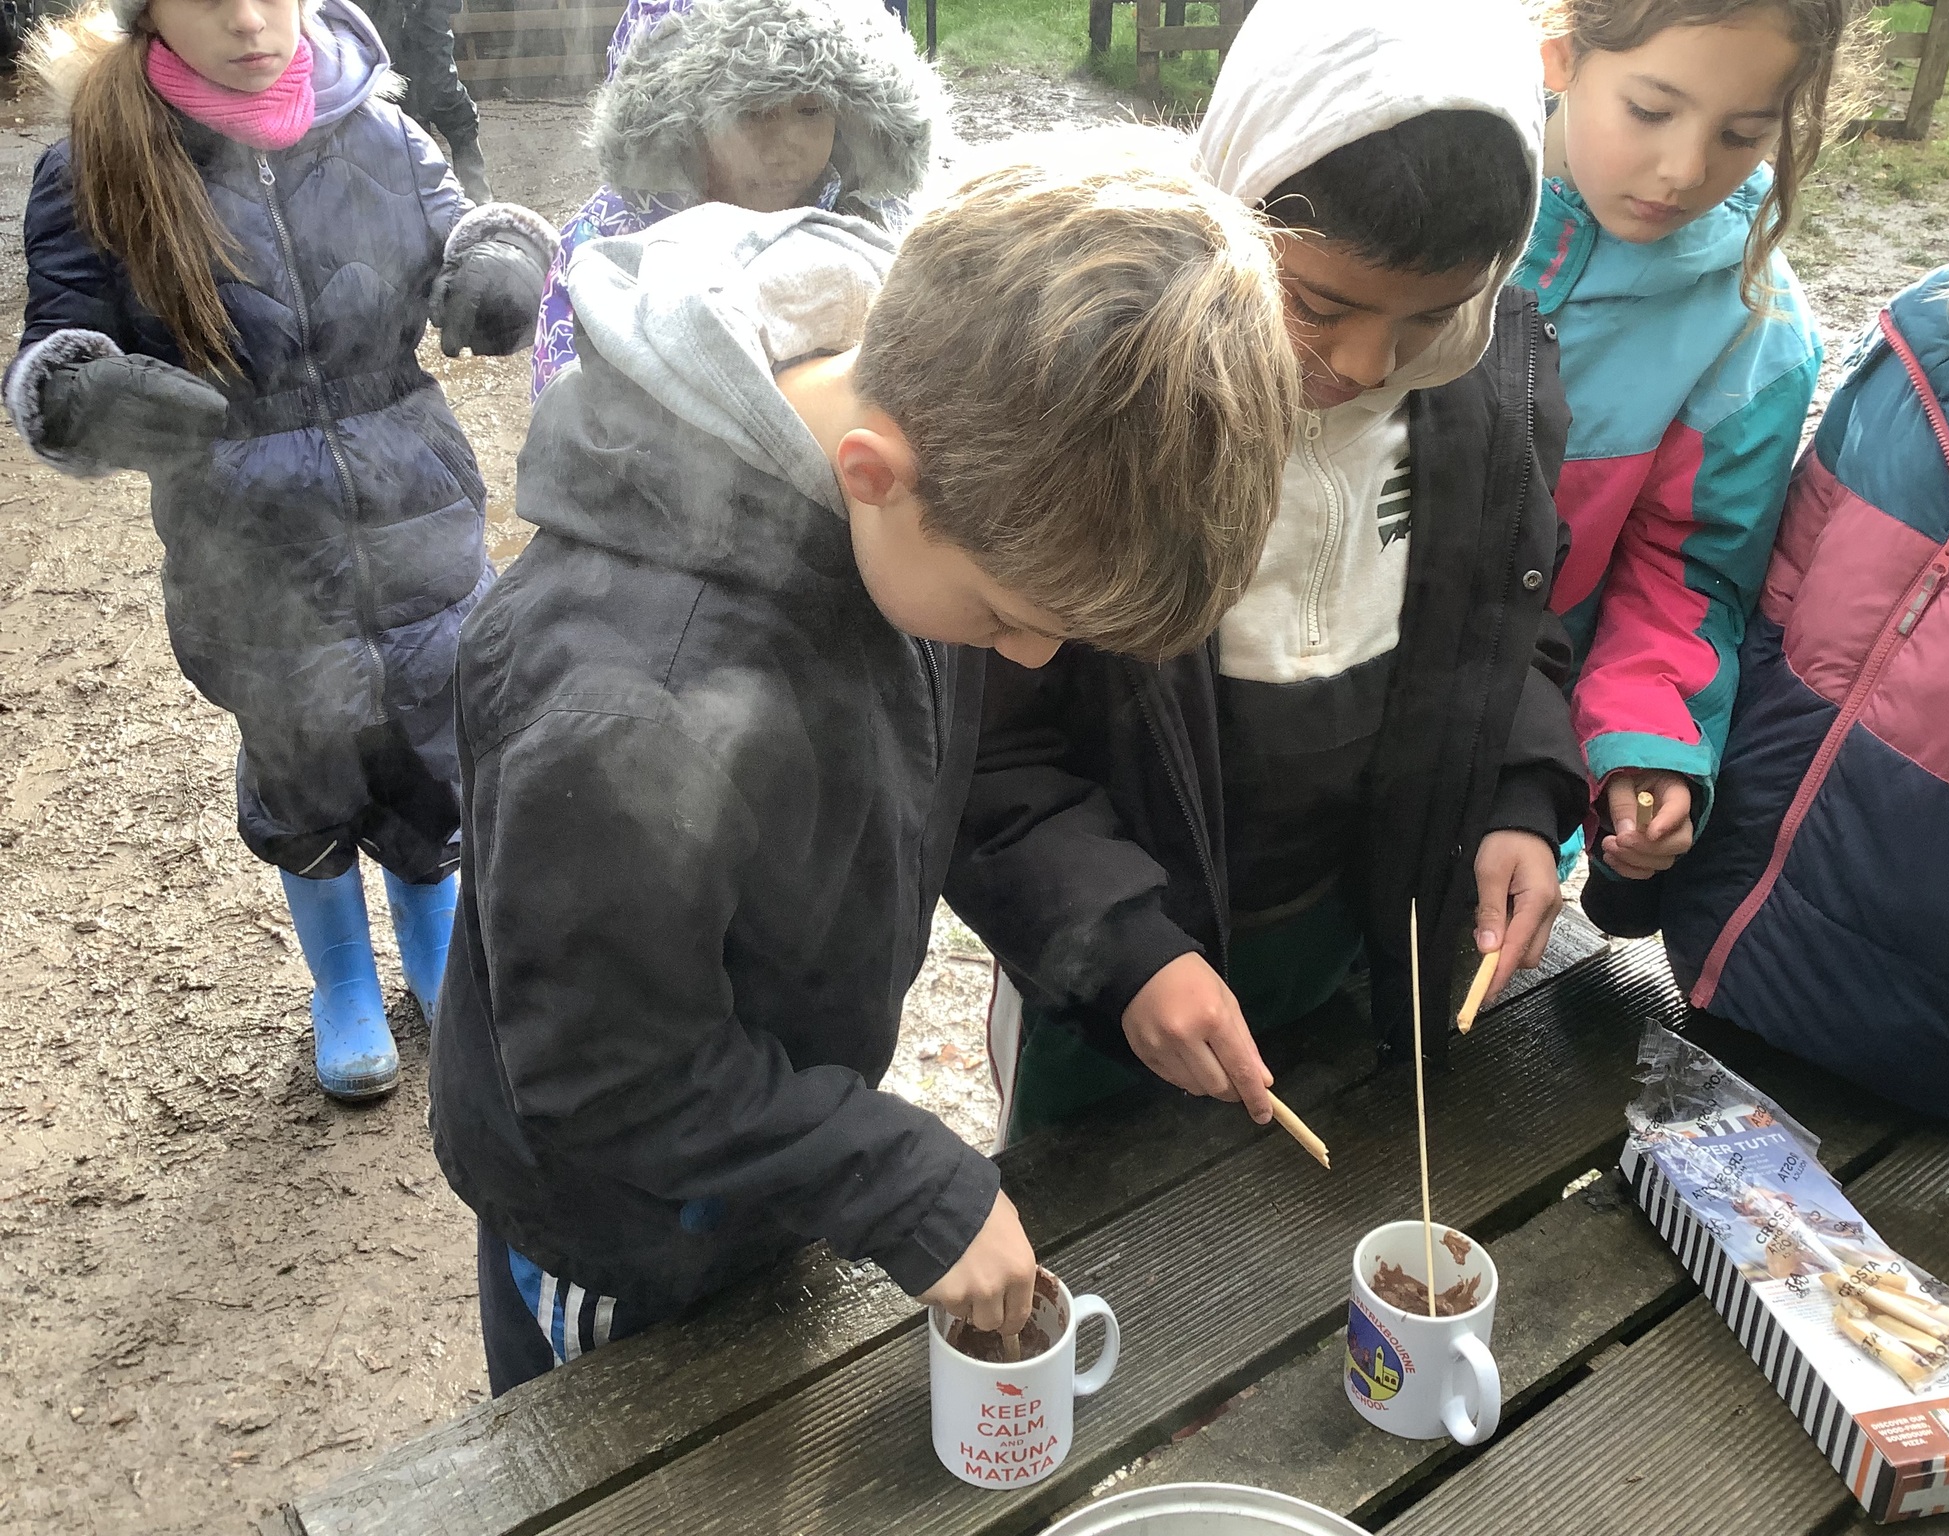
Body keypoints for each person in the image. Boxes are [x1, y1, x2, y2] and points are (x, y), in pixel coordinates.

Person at [429, 129, 1299, 1392]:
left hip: (760, 1153)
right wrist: (893, 1176)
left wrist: (1113, 953)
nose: (1030, 657)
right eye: (1007, 618)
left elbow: (935, 774)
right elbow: (605, 1078)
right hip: (614, 1227)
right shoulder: (624, 706)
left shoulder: (921, 494)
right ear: (871, 473)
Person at [944, 0, 1584, 1145]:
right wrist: (1120, 949)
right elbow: (987, 749)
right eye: (1318, 305)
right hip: (1123, 974)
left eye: (1430, 315)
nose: (1366, 363)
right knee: (1108, 1206)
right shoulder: (1098, 410)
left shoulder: (1488, 398)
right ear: (1230, 206)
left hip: (1367, 936)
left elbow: (1507, 631)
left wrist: (1518, 799)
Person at [5, 0, 557, 1100]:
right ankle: (341, 981)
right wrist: (77, 393)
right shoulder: (97, 161)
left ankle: (437, 952)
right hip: (247, 535)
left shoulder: (382, 126)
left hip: (412, 501)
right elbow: (54, 341)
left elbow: (462, 233)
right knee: (302, 753)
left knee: (434, 737)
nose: (251, 20)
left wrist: (502, 260)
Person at [1655, 61, 1949, 1254]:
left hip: (1927, 1092)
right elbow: (1762, 606)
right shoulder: (1917, 348)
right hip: (1715, 972)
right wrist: (1653, 831)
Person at [1514, 0, 1842, 903]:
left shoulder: (1754, 332)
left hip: (1508, 773)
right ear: (1560, 53)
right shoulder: (1428, 200)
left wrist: (1645, 739)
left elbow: (1685, 570)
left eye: (1743, 134)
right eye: (1651, 111)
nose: (1686, 169)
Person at [529, 0, 940, 399]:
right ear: (684, 121)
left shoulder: (875, 225)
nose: (785, 147)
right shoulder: (605, 245)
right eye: (752, 112)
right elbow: (568, 415)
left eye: (811, 110)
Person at [356, 0, 491, 202]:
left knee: (444, 91)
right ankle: (421, 198)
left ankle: (477, 197)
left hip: (426, 10)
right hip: (381, 12)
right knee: (398, 101)